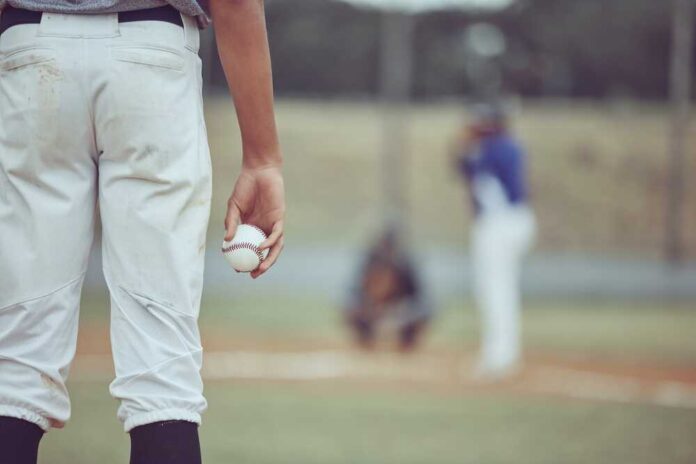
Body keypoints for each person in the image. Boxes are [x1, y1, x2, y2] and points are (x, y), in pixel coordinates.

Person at [0, 0, 285, 463]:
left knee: (13, 365)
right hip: (149, 54)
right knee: (162, 368)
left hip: (30, 49)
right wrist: (262, 157)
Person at [453, 103, 535, 380]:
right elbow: (463, 169)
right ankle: (503, 351)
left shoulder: (493, 148)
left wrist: (465, 143)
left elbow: (466, 166)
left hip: (499, 224)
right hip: (514, 220)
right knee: (503, 288)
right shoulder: (509, 146)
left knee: (495, 289)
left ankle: (500, 355)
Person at [343, 228, 432, 352]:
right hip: (372, 310)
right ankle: (366, 342)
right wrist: (367, 310)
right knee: (351, 309)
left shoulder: (406, 264)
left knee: (419, 315)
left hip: (401, 310)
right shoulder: (368, 261)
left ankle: (406, 345)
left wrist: (402, 315)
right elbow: (350, 296)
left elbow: (424, 303)